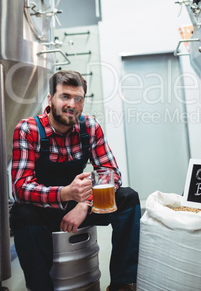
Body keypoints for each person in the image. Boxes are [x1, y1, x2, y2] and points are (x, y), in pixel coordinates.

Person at [10, 70, 141, 291]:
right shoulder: (28, 129)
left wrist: (84, 203)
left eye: (78, 98)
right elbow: (21, 188)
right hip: (45, 209)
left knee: (128, 198)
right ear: (50, 99)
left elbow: (111, 172)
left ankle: (122, 284)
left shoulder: (89, 126)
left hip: (80, 205)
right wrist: (66, 193)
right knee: (22, 214)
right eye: (65, 97)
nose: (72, 104)